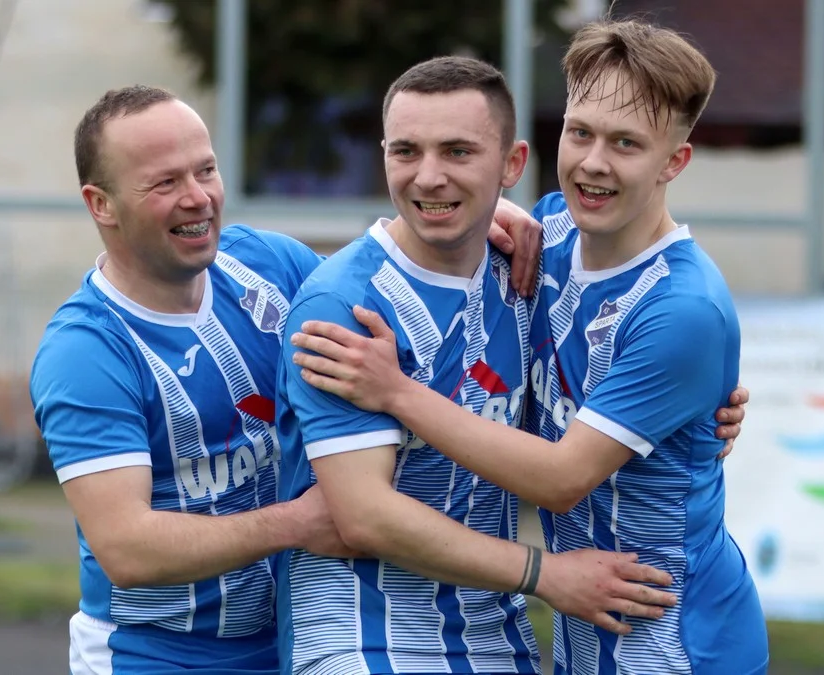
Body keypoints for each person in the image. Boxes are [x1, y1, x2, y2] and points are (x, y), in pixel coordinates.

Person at [288, 20, 768, 675]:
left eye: (626, 143)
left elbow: (561, 478)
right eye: (581, 133)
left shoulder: (682, 308)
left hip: (677, 637)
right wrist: (486, 207)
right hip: (581, 632)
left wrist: (396, 391)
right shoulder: (546, 237)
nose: (593, 163)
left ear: (673, 163)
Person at [30, 84, 549, 675]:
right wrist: (296, 522)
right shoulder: (85, 350)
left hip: (292, 637)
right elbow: (127, 548)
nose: (197, 197)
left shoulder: (270, 265)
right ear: (101, 204)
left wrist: (474, 215)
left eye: (206, 170)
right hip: (155, 655)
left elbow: (379, 270)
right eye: (165, 183)